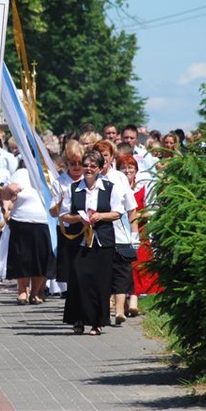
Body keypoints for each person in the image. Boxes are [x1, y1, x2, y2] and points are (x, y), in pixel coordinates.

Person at [61, 150, 125, 336]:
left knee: (100, 281)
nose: (88, 169)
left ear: (100, 168)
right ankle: (78, 319)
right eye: (86, 165)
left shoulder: (110, 187)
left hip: (102, 239)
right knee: (79, 279)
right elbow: (64, 215)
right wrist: (80, 218)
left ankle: (98, 322)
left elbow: (117, 213)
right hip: (80, 239)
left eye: (92, 166)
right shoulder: (73, 189)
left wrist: (99, 216)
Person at [92, 140, 138, 325]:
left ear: (112, 157)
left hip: (119, 232)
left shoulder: (119, 177)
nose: (103, 159)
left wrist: (135, 235)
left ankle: (120, 311)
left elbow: (131, 208)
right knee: (103, 273)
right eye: (99, 155)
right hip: (98, 234)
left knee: (121, 272)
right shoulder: (91, 178)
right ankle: (104, 309)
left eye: (106, 155)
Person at [0, 159, 53, 306]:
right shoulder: (21, 173)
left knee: (41, 259)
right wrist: (9, 189)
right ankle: (22, 290)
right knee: (22, 258)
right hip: (21, 220)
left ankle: (35, 292)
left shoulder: (49, 174)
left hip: (45, 221)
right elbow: (4, 194)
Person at [116, 154, 162, 313]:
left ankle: (134, 300)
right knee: (123, 265)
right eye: (123, 167)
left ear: (136, 170)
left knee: (137, 264)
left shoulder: (143, 186)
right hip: (120, 230)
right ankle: (125, 301)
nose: (127, 171)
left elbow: (153, 210)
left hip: (140, 231)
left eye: (130, 168)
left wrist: (138, 216)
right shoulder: (116, 187)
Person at [50, 140, 87, 295]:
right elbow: (52, 212)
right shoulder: (60, 182)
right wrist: (58, 204)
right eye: (73, 163)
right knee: (70, 267)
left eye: (80, 163)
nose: (77, 167)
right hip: (67, 229)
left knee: (84, 267)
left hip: (87, 227)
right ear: (67, 163)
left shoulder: (90, 180)